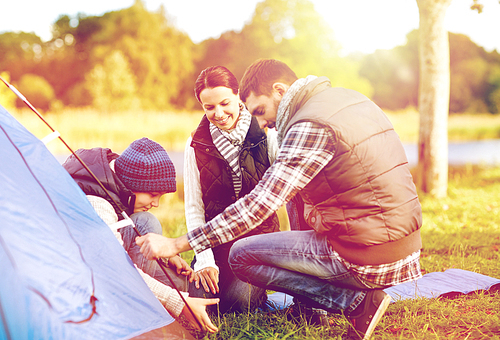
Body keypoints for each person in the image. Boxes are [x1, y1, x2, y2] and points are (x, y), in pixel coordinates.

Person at [136, 59, 423, 340]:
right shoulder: (349, 100)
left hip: (368, 256)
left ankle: (353, 303)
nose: (262, 123)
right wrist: (205, 257)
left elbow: (263, 203)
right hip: (407, 248)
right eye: (209, 107)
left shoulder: (307, 125)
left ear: (280, 90)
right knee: (227, 291)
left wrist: (176, 244)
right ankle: (322, 300)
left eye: (260, 110)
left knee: (242, 266)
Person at [62, 137, 219, 334]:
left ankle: (166, 298)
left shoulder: (113, 180)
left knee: (146, 222)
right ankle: (136, 310)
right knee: (178, 295)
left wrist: (167, 254)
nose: (156, 204)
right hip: (88, 280)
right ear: (132, 183)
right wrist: (180, 303)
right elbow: (116, 270)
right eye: (153, 195)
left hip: (103, 257)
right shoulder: (98, 205)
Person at [185, 66, 280, 313]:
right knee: (203, 304)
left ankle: (254, 292)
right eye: (209, 107)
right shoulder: (195, 143)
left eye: (225, 103)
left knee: (240, 302)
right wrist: (204, 260)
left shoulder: (267, 134)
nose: (218, 113)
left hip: (255, 244)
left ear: (239, 96)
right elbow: (195, 208)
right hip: (215, 243)